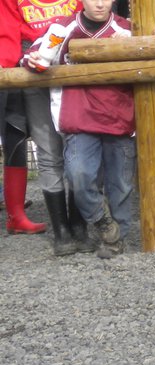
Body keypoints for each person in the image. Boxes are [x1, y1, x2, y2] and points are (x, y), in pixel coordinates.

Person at [23, 0, 135, 259]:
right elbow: (38, 55)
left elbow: (147, 57)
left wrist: (127, 48)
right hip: (79, 118)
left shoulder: (126, 30)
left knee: (120, 183)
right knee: (79, 175)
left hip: (120, 116)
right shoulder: (62, 29)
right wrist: (36, 61)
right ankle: (101, 221)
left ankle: (117, 239)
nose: (99, 3)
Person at [17, 0, 94, 255]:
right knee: (48, 149)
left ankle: (78, 223)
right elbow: (7, 28)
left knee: (78, 146)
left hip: (71, 62)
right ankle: (61, 229)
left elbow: (90, 19)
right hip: (31, 64)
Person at [0, 0, 46, 236]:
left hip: (10, 66)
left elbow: (11, 26)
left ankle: (15, 216)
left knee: (14, 135)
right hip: (10, 64)